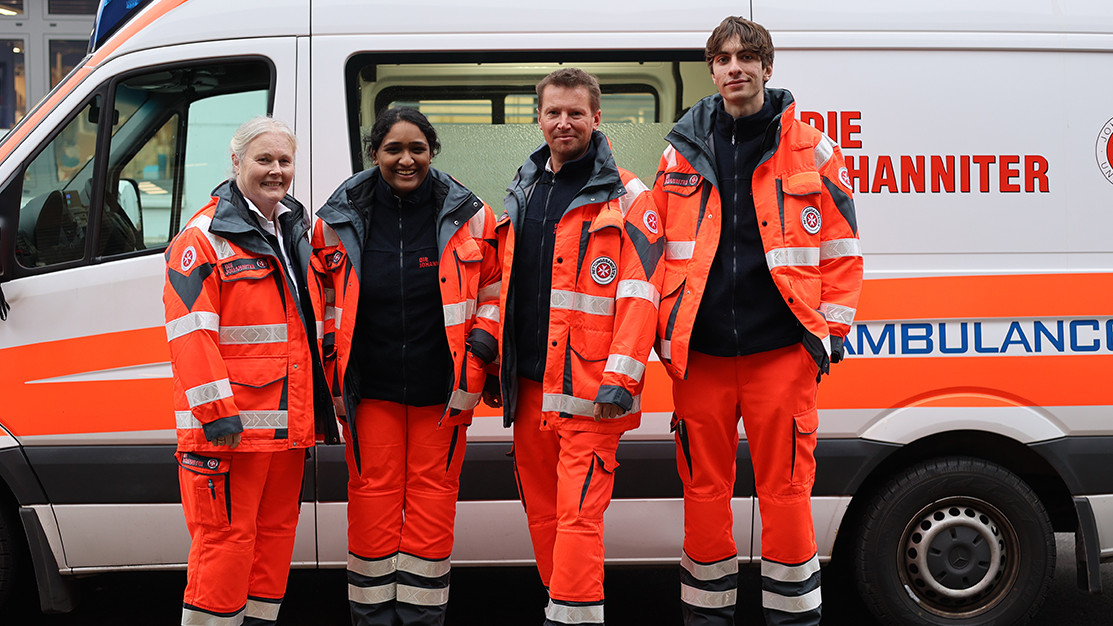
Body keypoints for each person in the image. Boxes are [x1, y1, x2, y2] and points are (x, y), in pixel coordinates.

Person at [652, 17, 864, 626]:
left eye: (747, 57)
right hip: (703, 358)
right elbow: (661, 246)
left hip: (781, 354)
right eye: (722, 58)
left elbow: (843, 249)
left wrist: (829, 334)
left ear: (767, 68)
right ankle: (707, 616)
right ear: (712, 70)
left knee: (787, 496)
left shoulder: (811, 147)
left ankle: (794, 617)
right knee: (703, 495)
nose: (734, 67)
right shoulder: (680, 150)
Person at [312, 107, 501, 626]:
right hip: (369, 390)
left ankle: (421, 617)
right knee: (372, 500)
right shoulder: (337, 217)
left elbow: (493, 290)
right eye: (393, 148)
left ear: (432, 151)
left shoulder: (469, 214)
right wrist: (332, 370)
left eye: (417, 148)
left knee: (432, 502)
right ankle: (371, 617)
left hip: (442, 392)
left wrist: (480, 356)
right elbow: (322, 300)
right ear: (374, 153)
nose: (405, 159)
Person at [492, 68, 663, 625]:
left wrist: (622, 378)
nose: (563, 122)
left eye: (575, 113)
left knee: (579, 518)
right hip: (531, 386)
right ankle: (562, 607)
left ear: (596, 117)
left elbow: (642, 294)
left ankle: (574, 618)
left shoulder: (629, 195)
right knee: (543, 514)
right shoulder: (525, 186)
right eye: (553, 112)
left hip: (593, 389)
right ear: (538, 118)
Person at [163, 115, 337, 626]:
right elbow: (191, 333)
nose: (276, 171)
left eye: (284, 160)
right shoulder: (203, 238)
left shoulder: (292, 229)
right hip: (230, 430)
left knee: (273, 544)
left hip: (284, 432)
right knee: (224, 546)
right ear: (236, 163)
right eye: (264, 160)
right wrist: (216, 413)